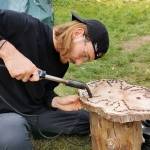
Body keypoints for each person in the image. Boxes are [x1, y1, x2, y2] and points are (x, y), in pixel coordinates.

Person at [0, 9, 109, 149]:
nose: (79, 63)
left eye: (86, 60)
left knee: (88, 119)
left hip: (33, 114)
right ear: (77, 33)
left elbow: (42, 92)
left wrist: (55, 101)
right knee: (14, 137)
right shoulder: (26, 26)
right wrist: (8, 52)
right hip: (5, 114)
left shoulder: (61, 66)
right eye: (84, 54)